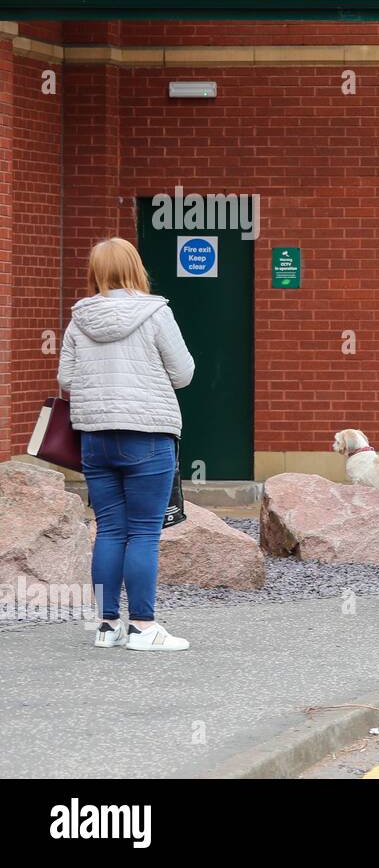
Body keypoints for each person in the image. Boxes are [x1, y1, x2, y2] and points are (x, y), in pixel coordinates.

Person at [57, 238, 195, 652]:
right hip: (147, 434)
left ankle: (106, 625)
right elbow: (184, 372)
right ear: (136, 267)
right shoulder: (156, 312)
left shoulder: (79, 317)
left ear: (95, 271)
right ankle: (143, 627)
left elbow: (65, 380)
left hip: (95, 437)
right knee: (144, 534)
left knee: (109, 530)